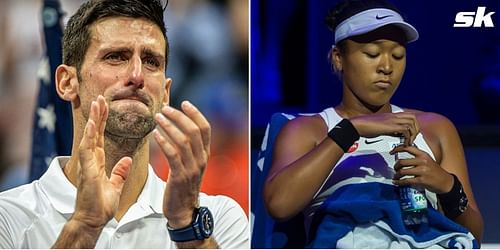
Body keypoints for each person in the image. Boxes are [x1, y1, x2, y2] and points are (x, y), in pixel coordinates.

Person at [0, 0, 249, 248]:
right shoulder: (9, 217)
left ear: (165, 93)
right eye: (116, 57)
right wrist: (85, 225)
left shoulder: (217, 219)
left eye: (152, 61)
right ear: (67, 82)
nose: (137, 76)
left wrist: (186, 226)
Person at [262, 0, 483, 248]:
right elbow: (279, 204)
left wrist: (447, 186)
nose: (387, 67)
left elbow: (473, 235)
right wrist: (350, 130)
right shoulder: (309, 130)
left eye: (398, 56)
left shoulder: (434, 129)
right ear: (338, 58)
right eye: (372, 54)